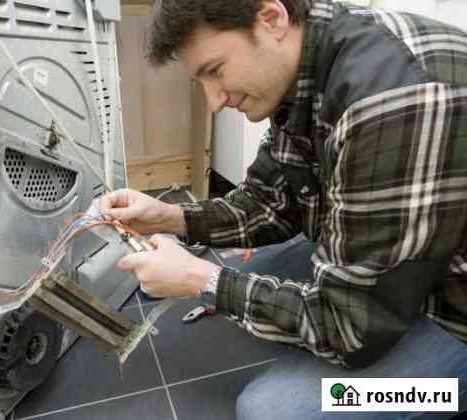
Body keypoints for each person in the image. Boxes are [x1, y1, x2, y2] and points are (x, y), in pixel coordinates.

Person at [99, 0, 467, 418]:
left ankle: (446, 393)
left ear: (271, 18)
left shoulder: (390, 103)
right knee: (251, 280)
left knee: (275, 411)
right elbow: (270, 202)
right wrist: (170, 217)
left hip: (454, 309)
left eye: (215, 70)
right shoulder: (308, 65)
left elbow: (349, 329)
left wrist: (200, 278)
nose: (214, 101)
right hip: (411, 259)